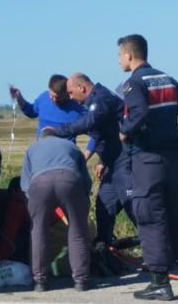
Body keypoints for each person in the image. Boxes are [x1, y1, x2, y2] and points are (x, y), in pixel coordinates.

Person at [116, 34, 178, 301]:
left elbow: (139, 114)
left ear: (129, 56)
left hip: (148, 160)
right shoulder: (169, 80)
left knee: (151, 219)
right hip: (173, 161)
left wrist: (124, 132)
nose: (119, 60)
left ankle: (160, 282)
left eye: (119, 55)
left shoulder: (134, 83)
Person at [45, 72, 132, 249]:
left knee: (134, 206)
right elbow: (103, 135)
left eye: (70, 93)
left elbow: (88, 124)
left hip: (125, 161)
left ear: (82, 88)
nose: (69, 97)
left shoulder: (101, 99)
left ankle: (159, 253)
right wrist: (101, 160)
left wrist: (57, 131)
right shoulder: (94, 101)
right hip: (112, 163)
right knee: (104, 206)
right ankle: (104, 248)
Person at [20, 129, 93, 291]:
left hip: (39, 183)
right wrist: (83, 200)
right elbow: (86, 180)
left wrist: (34, 204)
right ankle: (81, 280)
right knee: (78, 230)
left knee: (38, 231)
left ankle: (40, 281)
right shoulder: (70, 146)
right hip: (70, 180)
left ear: (41, 137)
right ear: (58, 136)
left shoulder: (33, 148)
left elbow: (25, 183)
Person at [9, 75, 86, 135]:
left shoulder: (78, 109)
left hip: (63, 153)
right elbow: (31, 112)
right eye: (51, 95)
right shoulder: (43, 97)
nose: (53, 99)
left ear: (66, 94)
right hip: (41, 151)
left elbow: (95, 132)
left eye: (57, 97)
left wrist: (86, 154)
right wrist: (19, 97)